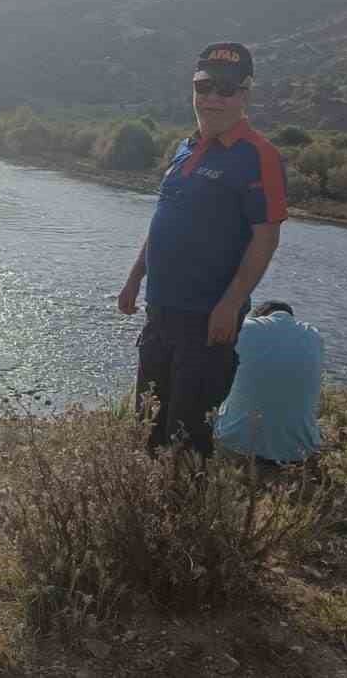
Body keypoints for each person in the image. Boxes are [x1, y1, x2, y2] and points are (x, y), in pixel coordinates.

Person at [118, 41, 289, 456]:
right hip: (161, 311)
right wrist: (132, 280)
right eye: (204, 86)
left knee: (187, 433)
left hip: (206, 319)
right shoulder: (186, 147)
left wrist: (231, 304)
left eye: (226, 89)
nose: (212, 98)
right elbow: (164, 221)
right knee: (148, 421)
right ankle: (145, 514)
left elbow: (266, 237)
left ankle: (186, 514)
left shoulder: (258, 156)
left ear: (244, 95)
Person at [214, 301, 324, 464]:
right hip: (300, 452)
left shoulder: (245, 327)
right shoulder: (314, 335)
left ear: (259, 315)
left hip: (237, 446)